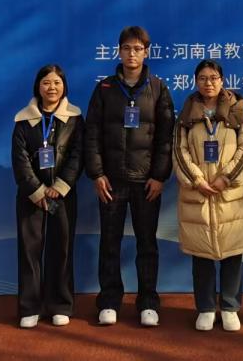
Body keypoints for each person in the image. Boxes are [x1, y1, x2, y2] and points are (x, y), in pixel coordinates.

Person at [84, 26, 175, 328]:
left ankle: (148, 302)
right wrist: (97, 173)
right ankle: (109, 301)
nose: (132, 54)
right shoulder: (105, 89)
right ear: (119, 51)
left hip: (146, 182)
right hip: (111, 181)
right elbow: (92, 134)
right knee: (109, 243)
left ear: (146, 52)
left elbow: (166, 138)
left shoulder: (158, 88)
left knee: (147, 244)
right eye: (126, 48)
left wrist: (159, 176)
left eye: (137, 49)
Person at [173, 59, 243, 332]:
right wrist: (197, 180)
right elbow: (179, 151)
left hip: (231, 194)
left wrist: (226, 178)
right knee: (201, 254)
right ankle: (206, 307)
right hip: (198, 193)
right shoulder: (187, 114)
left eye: (213, 78)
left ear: (222, 81)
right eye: (202, 78)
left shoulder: (237, 112)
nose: (208, 83)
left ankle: (231, 306)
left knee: (233, 253)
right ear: (195, 82)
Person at [11, 64, 83, 329]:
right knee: (30, 251)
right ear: (38, 87)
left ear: (64, 86)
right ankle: (30, 307)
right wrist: (37, 190)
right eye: (46, 83)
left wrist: (60, 186)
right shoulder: (23, 120)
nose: (52, 88)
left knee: (61, 249)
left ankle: (60, 305)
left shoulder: (75, 118)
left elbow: (78, 154)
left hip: (62, 195)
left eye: (57, 83)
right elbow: (19, 159)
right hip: (31, 197)